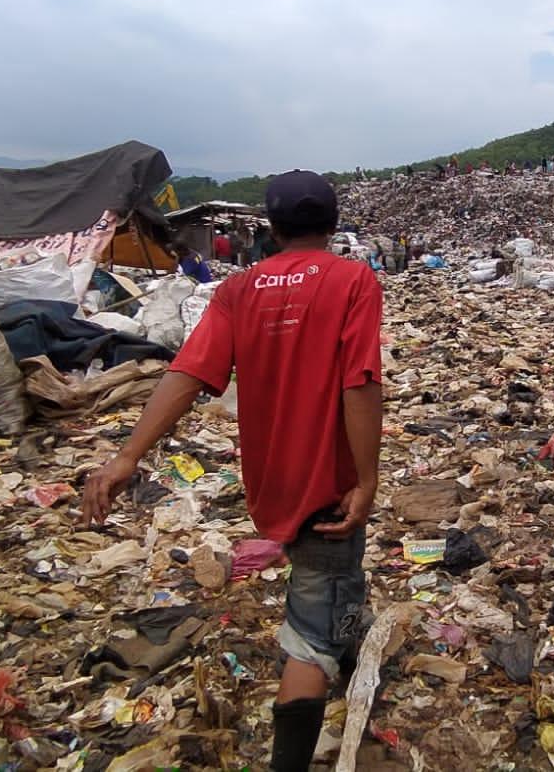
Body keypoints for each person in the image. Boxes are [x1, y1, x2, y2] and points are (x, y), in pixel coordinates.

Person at [81, 170, 382, 772]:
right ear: (332, 223)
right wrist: (367, 478)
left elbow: (186, 375)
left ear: (269, 228)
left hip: (271, 483)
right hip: (329, 484)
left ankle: (351, 657)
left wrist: (127, 456)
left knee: (331, 581)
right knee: (309, 635)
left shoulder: (237, 290)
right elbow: (360, 380)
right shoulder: (352, 278)